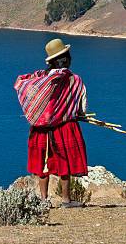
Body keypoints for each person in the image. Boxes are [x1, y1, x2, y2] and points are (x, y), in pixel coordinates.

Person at [25, 38, 88, 208]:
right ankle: (66, 200)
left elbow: (32, 100)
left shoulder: (40, 79)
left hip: (41, 127)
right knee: (64, 162)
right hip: (65, 127)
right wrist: (76, 113)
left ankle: (44, 200)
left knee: (42, 163)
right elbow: (81, 107)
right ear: (67, 58)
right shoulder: (74, 80)